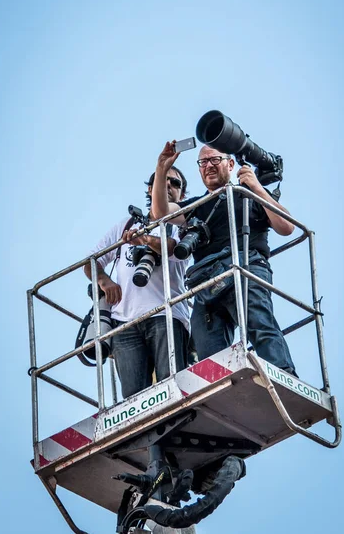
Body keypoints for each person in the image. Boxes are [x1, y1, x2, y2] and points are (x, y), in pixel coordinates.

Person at [151, 141, 297, 376]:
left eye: (214, 160)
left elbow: (287, 227)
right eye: (203, 162)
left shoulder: (248, 194)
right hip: (206, 281)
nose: (208, 166)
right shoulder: (197, 206)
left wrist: (255, 187)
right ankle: (221, 387)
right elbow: (159, 213)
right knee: (207, 347)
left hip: (246, 266)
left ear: (231, 164)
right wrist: (161, 168)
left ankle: (284, 376)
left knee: (259, 325)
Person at [84, 165, 190, 398]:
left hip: (166, 314)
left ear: (182, 195)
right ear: (151, 188)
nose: (168, 186)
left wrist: (145, 240)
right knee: (133, 400)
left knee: (172, 389)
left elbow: (173, 249)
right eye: (163, 181)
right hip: (125, 322)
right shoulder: (126, 224)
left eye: (176, 183)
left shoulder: (185, 224)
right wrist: (105, 282)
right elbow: (91, 261)